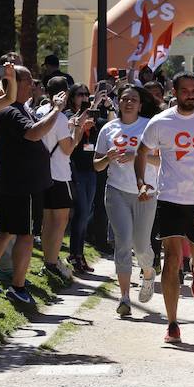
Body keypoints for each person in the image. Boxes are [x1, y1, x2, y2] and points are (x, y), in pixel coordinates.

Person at [135, 72, 194, 344]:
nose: (191, 95)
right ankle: (172, 323)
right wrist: (141, 182)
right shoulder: (161, 122)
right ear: (175, 91)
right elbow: (141, 151)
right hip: (169, 198)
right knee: (171, 260)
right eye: (185, 90)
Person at [0, 66, 64, 304]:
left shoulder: (19, 109)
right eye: (28, 81)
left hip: (18, 182)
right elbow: (34, 134)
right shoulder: (10, 111)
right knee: (25, 235)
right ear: (13, 84)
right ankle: (17, 286)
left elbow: (40, 128)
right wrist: (57, 109)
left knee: (5, 232)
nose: (33, 85)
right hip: (22, 185)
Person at [94, 86, 161, 315]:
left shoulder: (149, 126)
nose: (129, 103)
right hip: (116, 191)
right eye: (124, 99)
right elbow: (97, 165)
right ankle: (124, 298)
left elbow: (160, 161)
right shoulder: (108, 129)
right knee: (123, 243)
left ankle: (148, 273)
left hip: (145, 192)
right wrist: (107, 157)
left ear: (140, 104)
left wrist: (137, 156)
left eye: (133, 99)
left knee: (141, 245)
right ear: (118, 103)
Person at [36, 76, 90, 281]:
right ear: (64, 94)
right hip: (59, 174)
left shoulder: (39, 111)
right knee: (59, 222)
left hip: (42, 173)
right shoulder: (58, 118)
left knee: (47, 220)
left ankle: (48, 260)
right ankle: (51, 262)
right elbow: (68, 148)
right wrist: (78, 128)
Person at [65, 84, 108, 274]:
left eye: (85, 94)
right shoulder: (68, 114)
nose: (83, 97)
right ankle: (74, 253)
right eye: (79, 94)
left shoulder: (92, 113)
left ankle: (79, 254)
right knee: (81, 211)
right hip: (76, 168)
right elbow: (71, 134)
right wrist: (89, 111)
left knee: (87, 210)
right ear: (72, 97)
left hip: (91, 169)